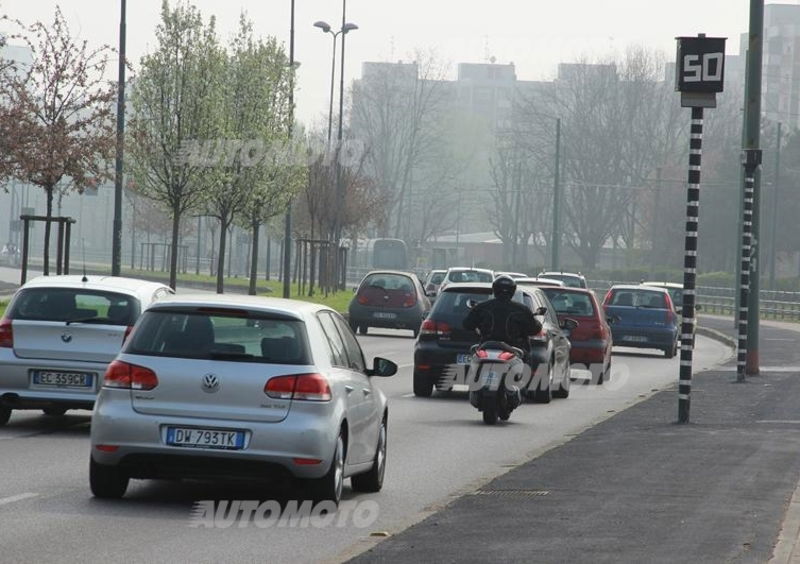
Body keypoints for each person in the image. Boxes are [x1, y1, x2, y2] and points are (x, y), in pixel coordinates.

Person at [463, 275, 541, 353]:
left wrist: (479, 327)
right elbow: (533, 329)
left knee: (474, 362)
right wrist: (537, 324)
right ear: (513, 290)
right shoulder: (522, 309)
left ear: (495, 289)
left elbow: (467, 324)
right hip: (514, 350)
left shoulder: (482, 307)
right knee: (526, 361)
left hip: (486, 349)